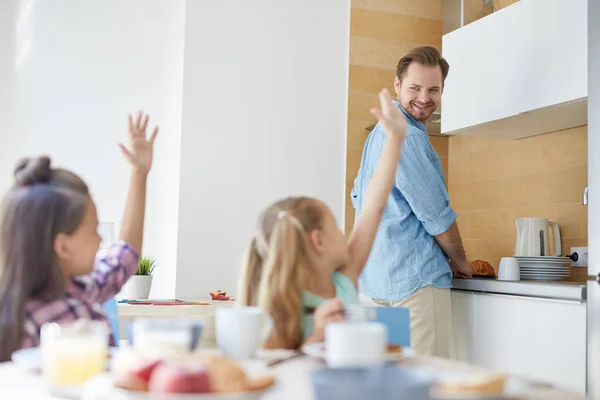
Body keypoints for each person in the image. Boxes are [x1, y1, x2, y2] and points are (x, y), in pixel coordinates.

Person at [238, 89, 407, 350]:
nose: (345, 234)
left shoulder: (343, 283)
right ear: (318, 241)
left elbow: (373, 205)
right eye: (336, 226)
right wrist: (317, 335)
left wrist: (395, 139)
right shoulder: (282, 306)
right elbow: (274, 369)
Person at [0, 111, 158, 361]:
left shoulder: (83, 288)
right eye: (94, 230)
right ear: (63, 246)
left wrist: (139, 174)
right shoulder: (19, 323)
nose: (101, 239)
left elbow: (125, 256)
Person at [351, 46, 472, 358]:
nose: (424, 98)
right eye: (415, 88)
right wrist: (460, 261)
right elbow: (436, 216)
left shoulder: (380, 132)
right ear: (398, 85)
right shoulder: (410, 136)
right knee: (427, 380)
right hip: (416, 283)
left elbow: (357, 195)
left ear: (443, 90)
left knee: (393, 383)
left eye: (434, 89)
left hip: (377, 282)